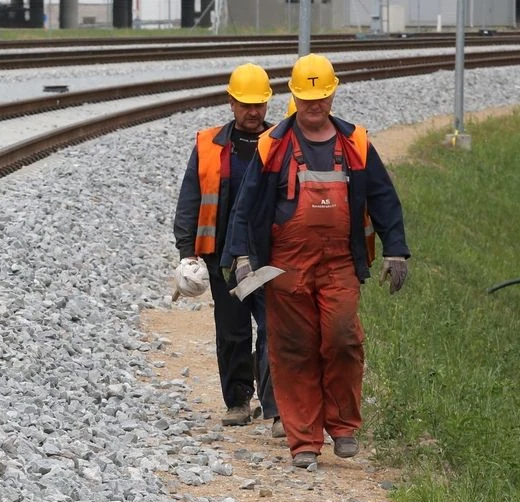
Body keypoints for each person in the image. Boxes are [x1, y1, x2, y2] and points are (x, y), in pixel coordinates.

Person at [221, 53, 410, 468]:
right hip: (287, 264)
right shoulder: (274, 146)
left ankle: (342, 426)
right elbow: (246, 205)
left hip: (339, 262)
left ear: (332, 94)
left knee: (342, 338)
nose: (313, 105)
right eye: (306, 98)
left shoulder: (356, 143)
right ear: (294, 95)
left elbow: (383, 198)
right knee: (293, 349)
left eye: (320, 97)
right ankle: (304, 440)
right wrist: (239, 255)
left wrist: (395, 248)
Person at [173, 62, 280, 433]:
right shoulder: (209, 144)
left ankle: (276, 408)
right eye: (246, 105)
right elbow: (191, 197)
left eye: (259, 105)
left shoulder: (281, 142)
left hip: (270, 256)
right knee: (232, 330)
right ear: (231, 103)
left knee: (274, 329)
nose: (253, 112)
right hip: (224, 257)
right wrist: (187, 250)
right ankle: (238, 400)